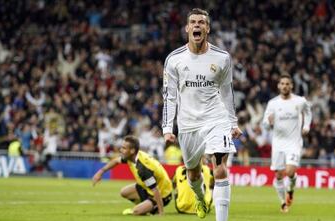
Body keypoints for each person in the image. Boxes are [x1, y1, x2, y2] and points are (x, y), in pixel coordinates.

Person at [162, 8, 242, 220]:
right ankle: (200, 197)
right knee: (194, 173)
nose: (197, 25)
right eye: (193, 22)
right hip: (188, 124)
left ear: (208, 28)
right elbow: (169, 96)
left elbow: (227, 92)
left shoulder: (222, 58)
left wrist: (233, 122)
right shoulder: (174, 59)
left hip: (216, 119)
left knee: (220, 170)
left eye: (201, 22)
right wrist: (167, 128)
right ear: (187, 28)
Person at [262, 74, 312, 213]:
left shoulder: (300, 101)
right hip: (278, 143)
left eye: (287, 84)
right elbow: (265, 124)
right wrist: (268, 123)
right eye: (282, 83)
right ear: (278, 86)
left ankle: (290, 190)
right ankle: (283, 202)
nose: (284, 86)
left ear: (291, 86)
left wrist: (306, 126)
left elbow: (308, 112)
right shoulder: (273, 103)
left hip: (294, 142)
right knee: (278, 175)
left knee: (290, 171)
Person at [92, 135, 172, 216]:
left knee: (136, 212)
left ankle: (155, 209)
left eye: (124, 148)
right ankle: (147, 206)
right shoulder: (131, 157)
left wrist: (161, 213)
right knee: (124, 192)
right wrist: (100, 172)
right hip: (147, 189)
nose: (120, 150)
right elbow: (116, 161)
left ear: (132, 150)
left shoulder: (142, 168)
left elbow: (156, 190)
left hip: (163, 194)